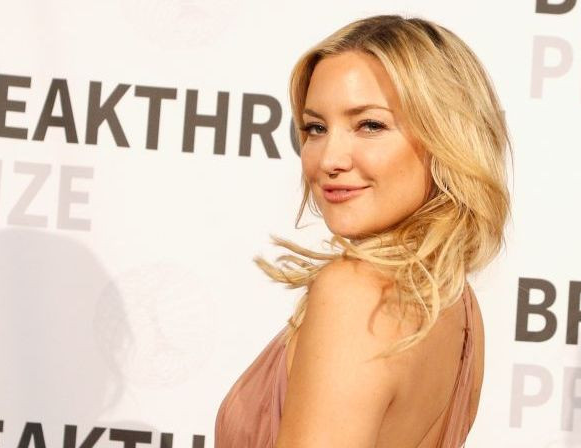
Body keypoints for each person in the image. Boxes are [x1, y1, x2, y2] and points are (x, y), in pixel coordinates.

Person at [215, 13, 511, 448]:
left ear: (445, 138)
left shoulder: (356, 293)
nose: (329, 159)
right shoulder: (457, 303)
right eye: (316, 128)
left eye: (370, 125)